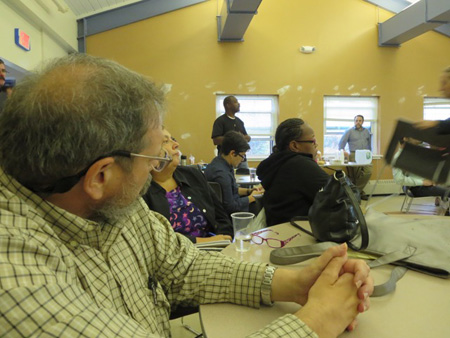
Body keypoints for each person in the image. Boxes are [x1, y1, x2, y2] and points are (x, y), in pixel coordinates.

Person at [0, 54, 373, 337]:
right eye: (151, 157)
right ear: (101, 175)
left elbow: (185, 267)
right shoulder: (15, 279)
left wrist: (294, 283)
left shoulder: (108, 205)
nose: (158, 166)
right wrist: (315, 322)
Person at [143, 127, 233, 243]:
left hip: (215, 250)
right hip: (176, 258)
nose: (176, 144)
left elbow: (221, 217)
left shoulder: (193, 175)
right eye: (165, 141)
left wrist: (225, 238)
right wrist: (207, 242)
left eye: (173, 139)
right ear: (148, 153)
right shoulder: (142, 191)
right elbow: (156, 241)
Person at [257, 118, 330, 226]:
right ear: (294, 146)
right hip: (298, 234)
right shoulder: (301, 165)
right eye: (313, 141)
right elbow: (344, 194)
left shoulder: (277, 162)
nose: (316, 145)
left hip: (276, 232)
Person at [205, 131, 262, 216]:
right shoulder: (222, 174)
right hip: (231, 216)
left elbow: (230, 191)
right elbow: (231, 207)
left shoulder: (218, 163)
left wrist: (249, 191)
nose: (242, 160)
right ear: (232, 153)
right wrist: (252, 197)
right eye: (242, 156)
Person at [393, 138, 449, 211]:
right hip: (416, 188)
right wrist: (423, 182)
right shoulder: (398, 157)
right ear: (405, 138)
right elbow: (398, 179)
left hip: (424, 184)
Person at [338, 114, 373, 199]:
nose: (358, 122)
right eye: (356, 120)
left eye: (360, 120)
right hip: (354, 154)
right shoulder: (349, 131)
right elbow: (341, 144)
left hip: (365, 154)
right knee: (356, 175)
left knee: (368, 171)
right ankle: (359, 193)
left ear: (362, 122)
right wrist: (344, 153)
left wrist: (370, 153)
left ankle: (356, 191)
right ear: (354, 121)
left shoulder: (367, 131)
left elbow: (369, 144)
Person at [211, 95, 250, 169]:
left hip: (241, 158)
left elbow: (247, 138)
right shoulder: (220, 121)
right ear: (228, 105)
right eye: (235, 102)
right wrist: (234, 138)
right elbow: (216, 140)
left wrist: (242, 137)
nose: (239, 104)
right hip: (226, 159)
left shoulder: (239, 122)